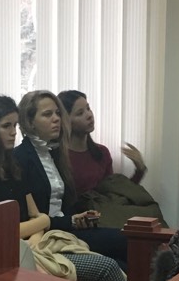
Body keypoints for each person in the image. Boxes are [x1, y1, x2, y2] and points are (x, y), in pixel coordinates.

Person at [0, 96, 126, 281]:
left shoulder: (11, 166)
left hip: (33, 244)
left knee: (110, 268)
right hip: (3, 257)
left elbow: (34, 214)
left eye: (14, 125)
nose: (13, 132)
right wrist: (42, 224)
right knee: (108, 267)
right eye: (6, 126)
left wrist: (36, 235)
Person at [14, 90, 128, 270]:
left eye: (57, 113)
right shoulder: (20, 158)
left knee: (130, 243)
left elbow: (62, 204)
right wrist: (71, 221)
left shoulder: (54, 153)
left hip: (65, 228)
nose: (56, 119)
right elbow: (34, 217)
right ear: (30, 123)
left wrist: (79, 219)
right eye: (47, 114)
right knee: (120, 256)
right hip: (47, 235)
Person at [57, 90, 147, 196]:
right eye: (80, 113)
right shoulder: (58, 156)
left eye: (88, 108)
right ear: (66, 121)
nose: (89, 115)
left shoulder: (102, 152)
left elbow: (113, 195)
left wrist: (140, 170)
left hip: (101, 206)